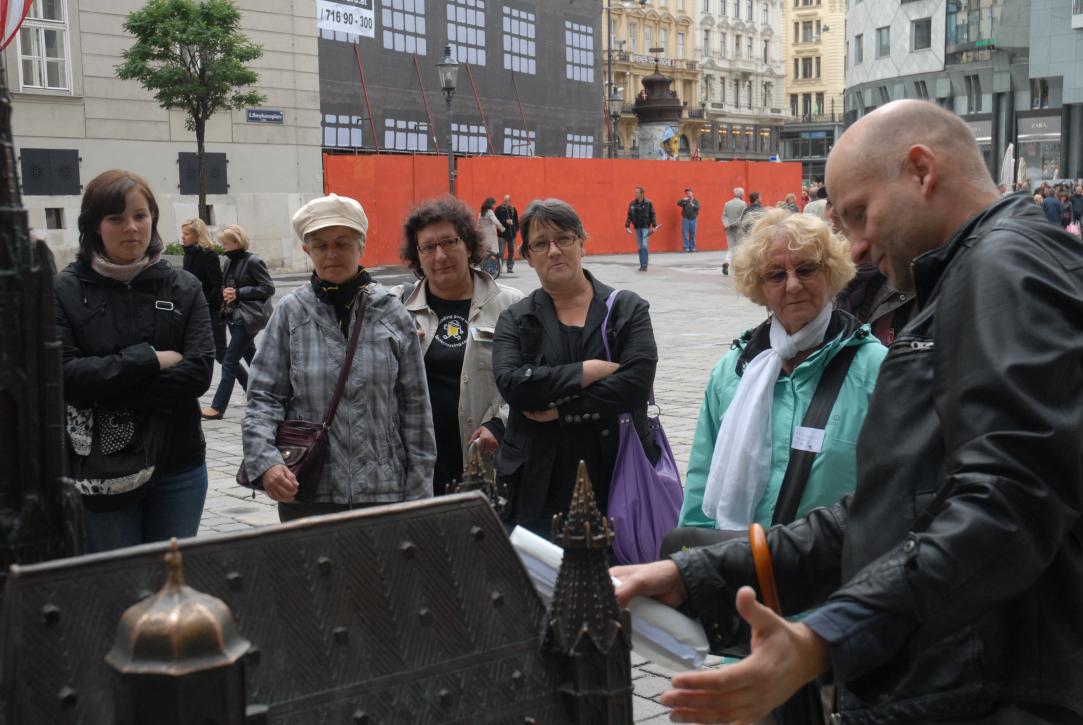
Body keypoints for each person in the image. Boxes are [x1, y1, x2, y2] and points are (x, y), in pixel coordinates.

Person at [612, 99, 1083, 724]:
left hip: (992, 689)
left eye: (860, 214)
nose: (856, 247)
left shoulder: (1001, 267)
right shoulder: (967, 277)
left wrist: (822, 639)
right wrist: (695, 573)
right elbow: (893, 510)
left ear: (921, 170)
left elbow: (1009, 503)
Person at [669, 210, 885, 546]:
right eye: (776, 275)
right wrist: (691, 562)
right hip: (741, 576)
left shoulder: (875, 368)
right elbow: (701, 479)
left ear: (830, 273)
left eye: (806, 269)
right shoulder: (732, 371)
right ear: (760, 287)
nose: (793, 284)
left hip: (837, 581)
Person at [242, 194, 435, 522]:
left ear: (361, 246)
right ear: (307, 251)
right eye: (320, 245)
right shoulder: (291, 314)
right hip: (308, 490)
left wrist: (418, 496)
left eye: (343, 243)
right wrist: (266, 461)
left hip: (383, 493)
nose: (331, 254)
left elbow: (415, 410)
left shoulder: (392, 314)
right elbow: (263, 398)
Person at [55, 169, 214, 552]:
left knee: (168, 587)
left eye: (140, 216)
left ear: (153, 219)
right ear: (94, 225)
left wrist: (106, 385)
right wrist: (148, 360)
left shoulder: (183, 286)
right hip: (100, 471)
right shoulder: (66, 288)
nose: (131, 227)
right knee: (118, 588)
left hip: (178, 463)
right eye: (116, 218)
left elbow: (198, 374)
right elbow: (65, 377)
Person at [494, 198, 659, 540]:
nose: (554, 251)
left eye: (564, 239)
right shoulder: (516, 318)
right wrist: (587, 370)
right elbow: (513, 384)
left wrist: (562, 411)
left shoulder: (626, 309)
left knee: (618, 584)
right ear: (528, 256)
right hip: (536, 486)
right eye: (541, 244)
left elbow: (635, 383)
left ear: (582, 242)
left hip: (617, 476)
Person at [399, 196, 523, 495]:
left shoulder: (511, 305)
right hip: (416, 469)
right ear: (417, 256)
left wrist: (501, 424)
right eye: (428, 247)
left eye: (449, 242)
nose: (440, 255)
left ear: (468, 245)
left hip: (488, 463)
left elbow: (534, 377)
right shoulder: (394, 307)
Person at [201, 224, 274, 420]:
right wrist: (226, 291)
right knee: (252, 357)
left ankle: (218, 407)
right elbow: (228, 284)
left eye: (225, 243)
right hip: (233, 316)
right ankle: (271, 393)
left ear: (236, 242)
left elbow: (268, 288)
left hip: (248, 318)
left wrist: (239, 293)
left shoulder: (253, 261)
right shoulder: (228, 263)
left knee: (229, 360)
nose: (221, 246)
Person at [180, 217, 225, 363]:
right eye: (183, 233)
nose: (183, 237)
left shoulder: (208, 255)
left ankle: (247, 383)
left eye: (186, 234)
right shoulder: (188, 256)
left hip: (211, 311)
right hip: (194, 310)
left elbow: (217, 284)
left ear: (197, 235)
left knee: (221, 354)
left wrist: (208, 304)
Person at [625, 186, 657, 271]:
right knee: (640, 247)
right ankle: (642, 264)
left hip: (645, 227)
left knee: (644, 245)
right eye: (635, 192)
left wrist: (654, 226)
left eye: (637, 192)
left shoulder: (648, 203)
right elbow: (629, 215)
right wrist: (627, 226)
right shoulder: (632, 203)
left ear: (642, 194)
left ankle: (644, 265)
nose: (635, 194)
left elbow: (652, 214)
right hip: (637, 227)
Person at [721, 187, 747, 276]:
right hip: (738, 229)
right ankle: (739, 267)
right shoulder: (743, 204)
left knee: (731, 248)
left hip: (729, 229)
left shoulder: (727, 204)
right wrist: (734, 224)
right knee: (740, 247)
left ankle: (727, 262)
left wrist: (727, 225)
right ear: (741, 194)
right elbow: (743, 216)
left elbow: (724, 216)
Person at [494, 194, 519, 273]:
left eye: (507, 201)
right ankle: (499, 267)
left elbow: (516, 220)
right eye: (504, 201)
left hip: (512, 234)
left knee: (511, 251)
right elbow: (496, 221)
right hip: (502, 234)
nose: (505, 202)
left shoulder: (513, 209)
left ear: (510, 201)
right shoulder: (498, 209)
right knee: (501, 252)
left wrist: (516, 229)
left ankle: (510, 267)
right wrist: (505, 221)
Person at [677, 187, 701, 252]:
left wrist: (692, 204)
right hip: (686, 219)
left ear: (692, 193)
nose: (688, 194)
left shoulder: (696, 201)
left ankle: (692, 247)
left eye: (689, 192)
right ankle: (686, 247)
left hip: (693, 219)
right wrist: (683, 199)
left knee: (693, 233)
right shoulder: (685, 201)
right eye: (687, 193)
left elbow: (698, 207)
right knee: (685, 233)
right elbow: (678, 203)